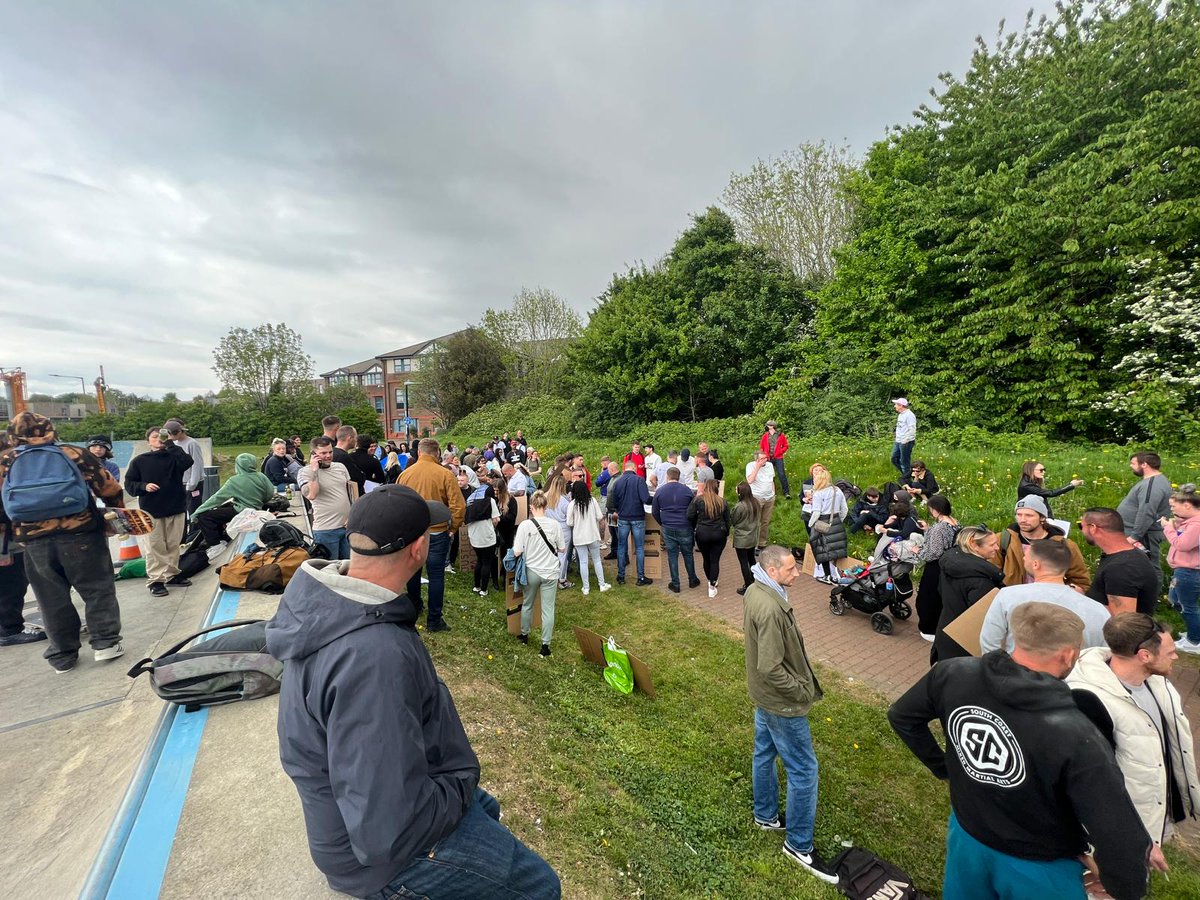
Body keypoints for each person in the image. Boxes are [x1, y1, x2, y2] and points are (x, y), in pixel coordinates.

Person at [265, 484, 560, 899]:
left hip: (368, 811)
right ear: (419, 549)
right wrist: (457, 787)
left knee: (486, 807)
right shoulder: (374, 657)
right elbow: (385, 825)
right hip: (383, 860)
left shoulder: (334, 602)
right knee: (541, 887)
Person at [888, 603, 1150, 900]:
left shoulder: (952, 673)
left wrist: (945, 767)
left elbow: (902, 716)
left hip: (967, 835)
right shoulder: (1077, 732)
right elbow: (1114, 823)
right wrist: (1126, 886)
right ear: (1068, 654)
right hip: (1040, 863)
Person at [1068, 613, 1199, 875]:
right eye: (1170, 652)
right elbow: (1095, 784)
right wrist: (1133, 839)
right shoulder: (1088, 700)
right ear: (1144, 655)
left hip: (1152, 809)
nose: (1175, 657)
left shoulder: (1155, 680)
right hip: (1120, 828)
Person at [743, 545, 839, 885]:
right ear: (771, 572)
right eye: (790, 569)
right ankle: (799, 844)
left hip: (764, 698)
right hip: (781, 702)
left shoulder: (757, 589)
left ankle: (765, 815)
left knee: (764, 753)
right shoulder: (770, 608)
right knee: (804, 770)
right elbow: (770, 666)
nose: (797, 573)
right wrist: (800, 690)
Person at [0, 413, 126, 673]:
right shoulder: (72, 453)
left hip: (34, 541)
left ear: (13, 434)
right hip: (81, 533)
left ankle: (63, 655)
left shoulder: (6, 460)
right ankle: (105, 643)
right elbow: (108, 487)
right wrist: (116, 516)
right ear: (50, 431)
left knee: (50, 597)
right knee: (96, 589)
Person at [979, 539, 1111, 653]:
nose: (1023, 559)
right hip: (1074, 680)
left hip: (1018, 676)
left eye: (1025, 556)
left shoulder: (1008, 596)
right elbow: (1105, 651)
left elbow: (989, 641)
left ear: (1036, 564)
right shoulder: (1097, 609)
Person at [398, 438, 466, 633]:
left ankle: (415, 606)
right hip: (437, 531)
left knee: (413, 572)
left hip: (413, 531)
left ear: (419, 453)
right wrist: (452, 526)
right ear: (436, 454)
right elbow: (458, 505)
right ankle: (434, 619)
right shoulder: (445, 474)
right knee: (436, 575)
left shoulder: (405, 474)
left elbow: (398, 503)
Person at [125, 427, 197, 597]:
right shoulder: (139, 461)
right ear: (148, 441)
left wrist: (171, 444)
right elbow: (129, 484)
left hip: (176, 507)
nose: (159, 439)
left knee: (173, 543)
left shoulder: (174, 456)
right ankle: (156, 580)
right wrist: (144, 486)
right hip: (151, 510)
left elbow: (188, 462)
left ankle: (172, 574)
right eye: (155, 437)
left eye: (162, 436)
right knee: (154, 546)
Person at [933, 525, 1005, 663]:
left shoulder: (950, 565)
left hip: (946, 630)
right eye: (992, 544)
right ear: (974, 545)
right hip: (966, 643)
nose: (997, 548)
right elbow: (985, 617)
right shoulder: (981, 581)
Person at [0, 431, 46, 648]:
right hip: (4, 541)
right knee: (11, 585)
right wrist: (3, 550)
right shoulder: (4, 470)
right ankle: (9, 629)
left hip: (8, 538)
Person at [992, 495, 1091, 590]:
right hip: (1012, 601)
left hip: (1049, 603)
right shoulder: (1002, 539)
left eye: (1029, 515)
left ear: (1042, 518)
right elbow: (990, 574)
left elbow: (1080, 581)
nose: (1022, 520)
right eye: (1019, 515)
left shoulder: (1064, 545)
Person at [513, 489, 565, 658]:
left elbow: (517, 551)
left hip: (531, 570)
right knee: (548, 609)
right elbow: (562, 548)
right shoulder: (555, 525)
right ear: (545, 506)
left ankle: (524, 634)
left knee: (527, 603)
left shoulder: (525, 525)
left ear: (531, 507)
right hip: (550, 571)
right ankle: (545, 645)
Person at [192, 452, 276, 556]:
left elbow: (216, 499)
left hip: (240, 510)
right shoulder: (262, 477)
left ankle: (216, 545)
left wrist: (198, 511)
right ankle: (222, 539)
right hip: (256, 509)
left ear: (238, 465)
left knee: (205, 516)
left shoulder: (234, 481)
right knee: (222, 510)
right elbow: (270, 494)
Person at [1081, 507, 1161, 617]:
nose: (1081, 531)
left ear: (1093, 528)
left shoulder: (1121, 568)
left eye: (1081, 526)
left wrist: (1080, 599)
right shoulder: (1128, 555)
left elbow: (1122, 620)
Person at [1118, 451, 1172, 589]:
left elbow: (1146, 511)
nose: (1131, 466)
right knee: (1139, 565)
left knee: (1150, 565)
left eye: (1133, 463)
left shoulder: (1152, 485)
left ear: (1144, 464)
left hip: (1145, 534)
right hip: (1140, 532)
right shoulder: (1151, 481)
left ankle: (1150, 600)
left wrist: (1135, 536)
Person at [299, 436, 356, 561]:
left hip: (346, 526)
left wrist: (353, 515)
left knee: (349, 567)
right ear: (314, 454)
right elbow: (312, 495)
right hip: (326, 530)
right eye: (323, 453)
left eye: (330, 452)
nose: (328, 456)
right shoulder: (305, 472)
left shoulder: (340, 467)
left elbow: (351, 492)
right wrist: (315, 471)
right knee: (329, 569)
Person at [1161, 485, 1200, 654]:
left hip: (1189, 572)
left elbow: (1183, 544)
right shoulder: (1189, 523)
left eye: (1173, 506)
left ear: (1187, 505)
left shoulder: (1196, 525)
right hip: (1181, 570)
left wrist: (1168, 528)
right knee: (1175, 600)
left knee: (1188, 606)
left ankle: (1195, 641)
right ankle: (1194, 631)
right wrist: (1177, 526)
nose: (1171, 510)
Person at [914, 494, 958, 641]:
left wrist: (917, 551)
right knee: (940, 597)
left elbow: (934, 552)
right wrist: (927, 529)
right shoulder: (955, 523)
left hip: (935, 567)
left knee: (928, 598)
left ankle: (929, 629)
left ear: (935, 510)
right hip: (949, 565)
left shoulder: (939, 528)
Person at [652, 467, 700, 593]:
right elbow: (693, 511)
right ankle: (692, 579)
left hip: (668, 526)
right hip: (685, 526)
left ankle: (675, 583)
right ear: (679, 477)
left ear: (667, 476)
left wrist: (662, 523)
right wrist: (692, 525)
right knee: (688, 554)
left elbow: (655, 512)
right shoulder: (687, 490)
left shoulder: (660, 491)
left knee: (672, 555)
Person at [607, 460, 652, 586]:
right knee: (639, 547)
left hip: (623, 518)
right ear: (633, 468)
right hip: (637, 517)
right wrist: (656, 499)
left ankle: (621, 576)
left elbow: (614, 500)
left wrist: (618, 509)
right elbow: (646, 499)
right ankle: (641, 577)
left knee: (621, 546)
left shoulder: (618, 481)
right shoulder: (639, 480)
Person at [688, 478, 730, 598]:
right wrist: (726, 532)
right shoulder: (723, 502)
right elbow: (728, 520)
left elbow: (689, 515)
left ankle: (710, 581)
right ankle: (712, 584)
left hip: (702, 533)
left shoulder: (698, 500)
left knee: (706, 558)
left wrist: (696, 526)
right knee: (715, 560)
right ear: (716, 488)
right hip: (719, 533)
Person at [807, 464, 848, 584]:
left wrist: (810, 525)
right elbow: (844, 509)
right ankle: (837, 575)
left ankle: (827, 576)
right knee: (835, 548)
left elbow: (816, 513)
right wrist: (838, 520)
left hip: (822, 523)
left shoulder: (818, 493)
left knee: (822, 550)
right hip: (836, 521)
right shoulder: (837, 490)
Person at [566, 479, 610, 595]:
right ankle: (602, 584)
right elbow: (600, 516)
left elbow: (569, 522)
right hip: (592, 535)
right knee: (596, 560)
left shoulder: (572, 504)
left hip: (579, 537)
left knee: (583, 562)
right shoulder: (592, 501)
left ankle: (586, 588)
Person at [464, 479, 500, 597]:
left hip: (474, 537)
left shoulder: (470, 502)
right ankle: (484, 590)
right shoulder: (490, 501)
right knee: (486, 563)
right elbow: (496, 519)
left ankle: (476, 586)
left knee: (479, 560)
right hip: (487, 536)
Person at [164, 419, 206, 516]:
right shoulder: (174, 444)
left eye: (171, 434)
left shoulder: (192, 443)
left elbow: (197, 464)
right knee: (181, 512)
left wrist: (192, 484)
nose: (170, 437)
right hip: (180, 482)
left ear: (179, 432)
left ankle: (195, 530)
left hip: (192, 483)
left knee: (193, 510)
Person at [1017, 460, 1083, 519]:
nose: (1043, 472)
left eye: (1044, 469)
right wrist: (1071, 485)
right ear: (1031, 470)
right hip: (1031, 516)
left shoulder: (1030, 482)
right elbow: (1050, 493)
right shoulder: (1027, 485)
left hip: (1035, 514)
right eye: (1041, 470)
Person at [543, 474, 574, 589]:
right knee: (563, 556)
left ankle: (550, 577)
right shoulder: (564, 501)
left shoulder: (545, 497)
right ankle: (561, 579)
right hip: (563, 529)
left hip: (549, 528)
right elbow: (569, 517)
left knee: (551, 554)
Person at [731, 481, 761, 596]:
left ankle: (748, 586)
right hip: (752, 537)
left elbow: (733, 521)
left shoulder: (740, 506)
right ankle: (755, 580)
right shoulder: (755, 503)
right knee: (752, 560)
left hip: (742, 538)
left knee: (743, 562)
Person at [745, 451, 776, 551]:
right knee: (755, 521)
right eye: (762, 458)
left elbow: (771, 480)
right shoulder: (750, 466)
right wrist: (757, 467)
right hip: (757, 497)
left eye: (765, 458)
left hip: (769, 497)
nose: (765, 460)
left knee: (765, 521)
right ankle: (753, 544)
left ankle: (762, 543)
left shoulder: (770, 465)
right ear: (756, 459)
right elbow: (750, 480)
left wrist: (773, 493)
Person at [492, 474, 518, 590]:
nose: (495, 493)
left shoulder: (511, 500)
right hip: (497, 531)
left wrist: (500, 519)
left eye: (497, 491)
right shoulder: (494, 499)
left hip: (507, 531)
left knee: (506, 554)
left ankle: (506, 576)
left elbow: (512, 516)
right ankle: (498, 575)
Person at [759, 420, 791, 500]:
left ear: (772, 426)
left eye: (769, 425)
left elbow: (786, 445)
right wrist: (764, 455)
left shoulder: (780, 435)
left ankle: (786, 493)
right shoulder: (765, 435)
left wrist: (780, 451)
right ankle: (770, 493)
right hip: (768, 458)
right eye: (767, 425)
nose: (767, 426)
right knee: (769, 476)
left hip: (778, 458)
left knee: (781, 474)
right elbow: (761, 447)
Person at [333, 425, 367, 495]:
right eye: (355, 437)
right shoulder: (343, 457)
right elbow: (358, 479)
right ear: (349, 438)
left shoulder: (332, 453)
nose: (356, 440)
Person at [890, 398, 916, 480]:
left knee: (905, 462)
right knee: (894, 459)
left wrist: (905, 441)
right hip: (898, 441)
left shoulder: (910, 415)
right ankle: (908, 474)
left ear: (901, 406)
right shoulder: (901, 415)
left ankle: (907, 480)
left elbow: (912, 430)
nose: (895, 406)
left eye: (896, 404)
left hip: (906, 442)